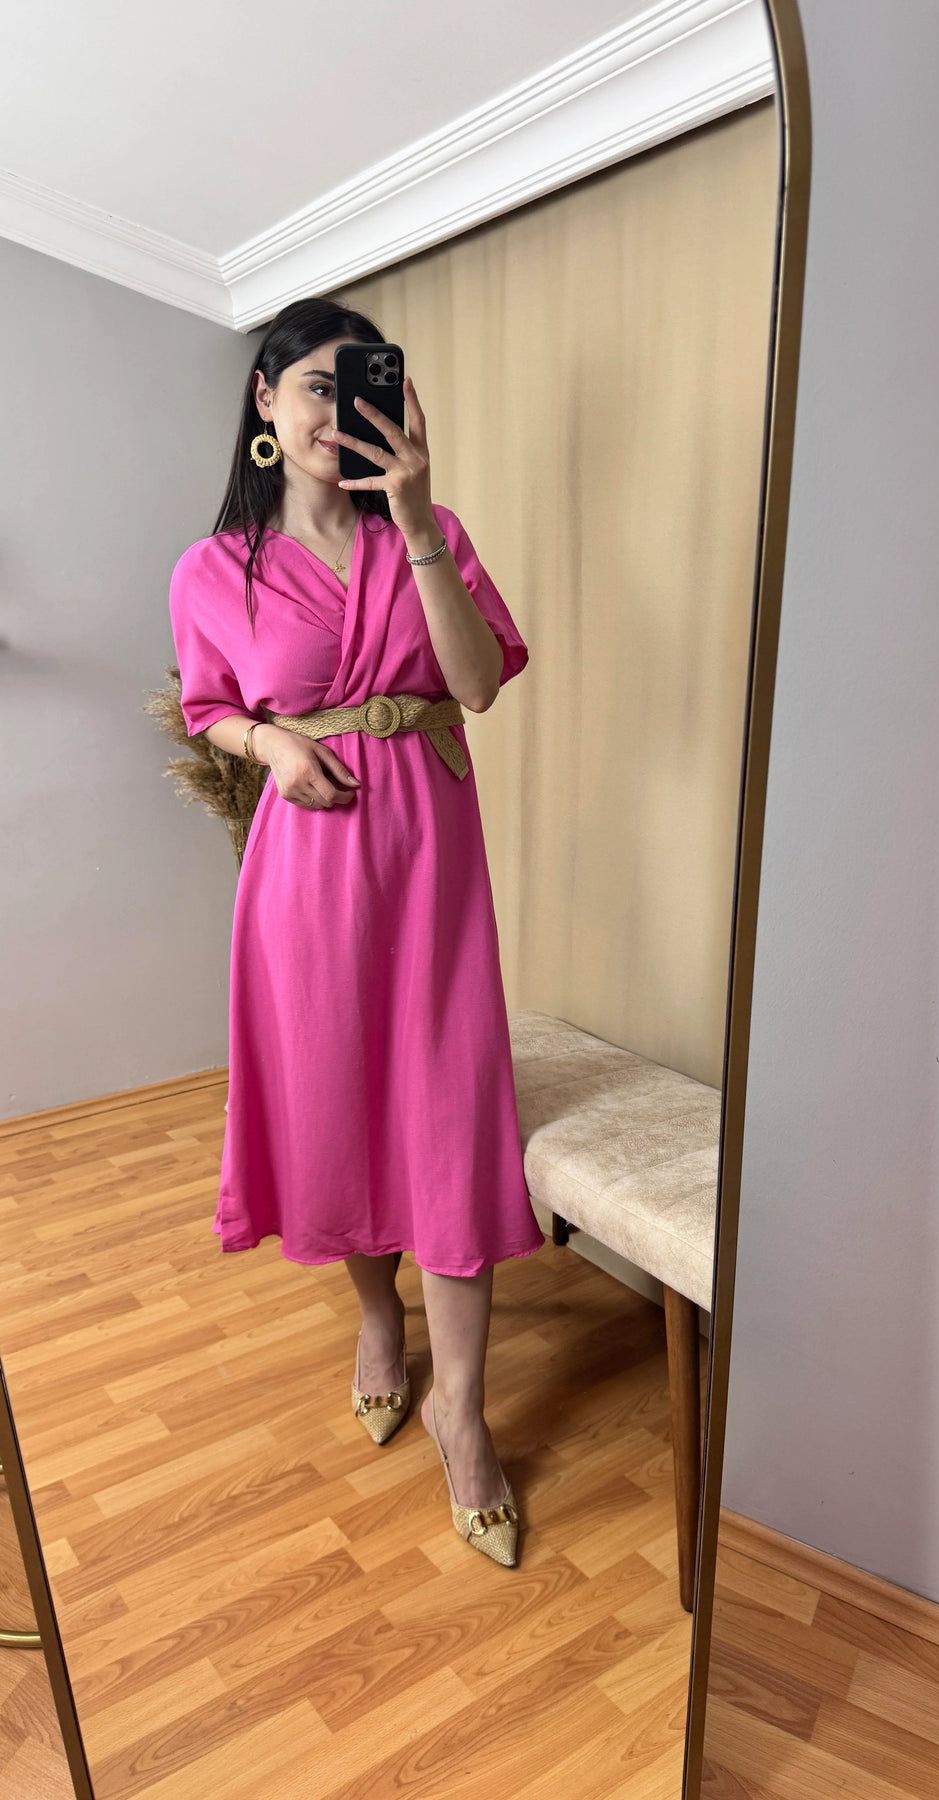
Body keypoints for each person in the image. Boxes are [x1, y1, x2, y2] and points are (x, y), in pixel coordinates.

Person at [168, 296, 544, 1566]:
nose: (339, 411)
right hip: (308, 868)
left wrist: (419, 517)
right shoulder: (213, 569)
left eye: (362, 385)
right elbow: (209, 706)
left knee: (449, 1114)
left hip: (431, 861)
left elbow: (476, 685)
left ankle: (461, 1412)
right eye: (316, 388)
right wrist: (269, 741)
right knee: (334, 1104)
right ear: (264, 402)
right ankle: (379, 1319)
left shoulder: (429, 534)